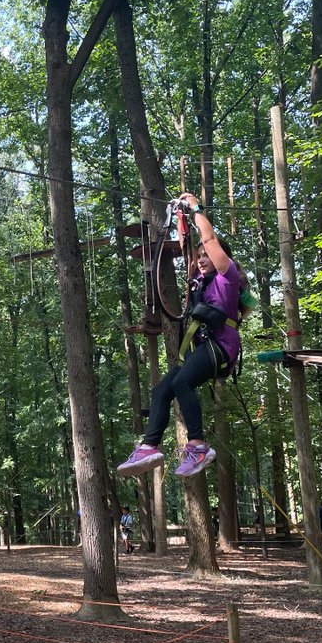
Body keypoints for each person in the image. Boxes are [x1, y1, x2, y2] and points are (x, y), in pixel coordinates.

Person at [118, 192, 246, 480]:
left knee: (182, 381)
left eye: (206, 257)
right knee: (162, 389)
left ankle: (198, 446)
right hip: (202, 347)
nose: (201, 260)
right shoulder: (199, 279)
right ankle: (149, 446)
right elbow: (190, 249)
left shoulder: (228, 276)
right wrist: (180, 218)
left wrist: (196, 209)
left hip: (221, 346)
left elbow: (209, 241)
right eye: (199, 257)